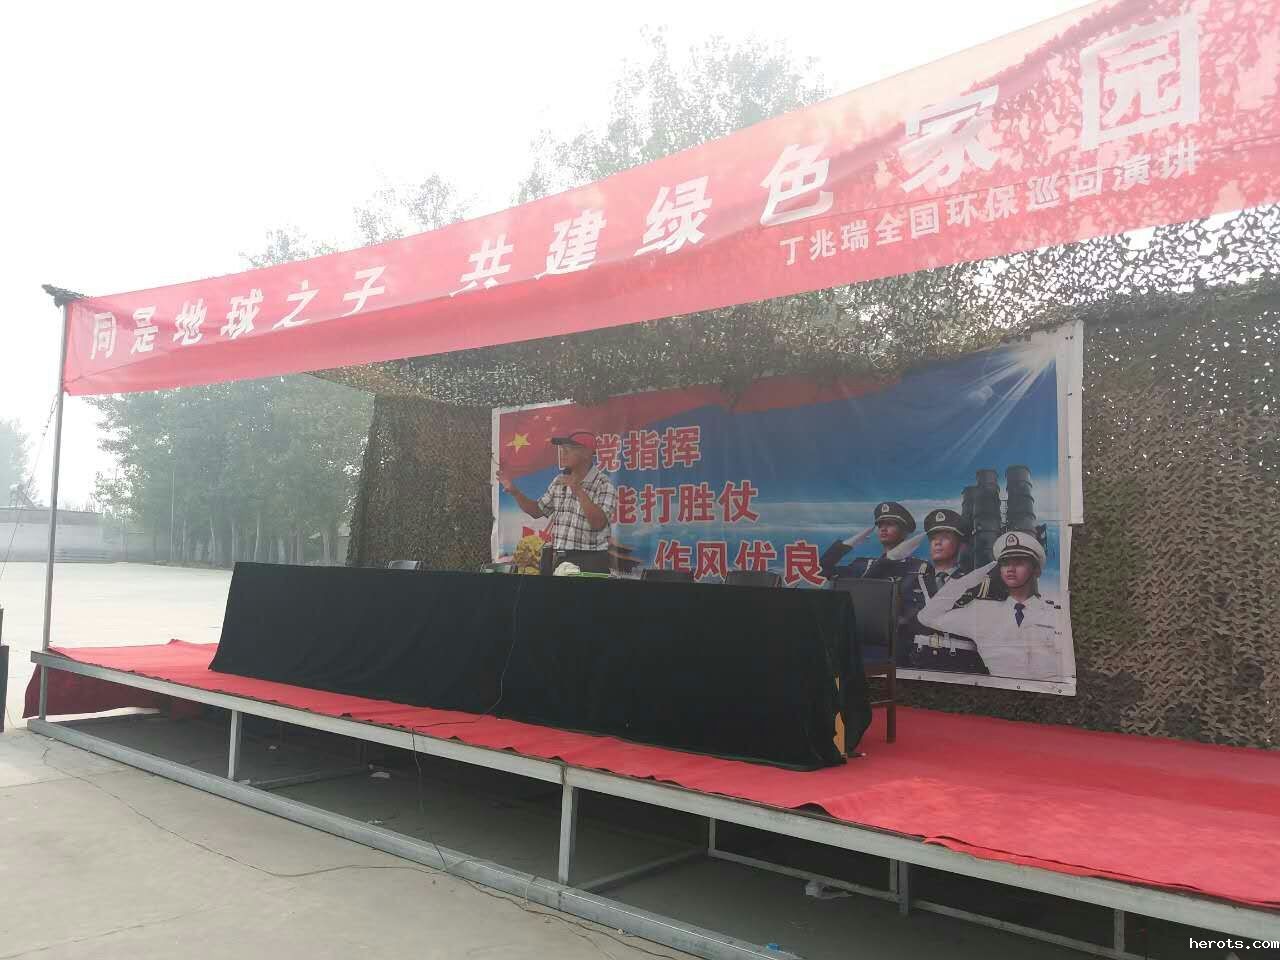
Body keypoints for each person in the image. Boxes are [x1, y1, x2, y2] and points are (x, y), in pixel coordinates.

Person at [917, 530, 1066, 681]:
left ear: (1037, 570)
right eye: (1005, 563)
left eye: (1019, 562)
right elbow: (927, 617)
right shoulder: (982, 611)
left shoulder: (1055, 614)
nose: (1010, 569)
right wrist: (969, 580)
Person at [496, 430, 616, 575]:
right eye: (562, 450)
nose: (562, 454)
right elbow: (537, 511)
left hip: (590, 560)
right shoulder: (559, 481)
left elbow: (599, 523)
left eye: (568, 450)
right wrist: (515, 491)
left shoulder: (603, 484)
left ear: (586, 453)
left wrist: (577, 490)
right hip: (561, 559)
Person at [905, 509, 987, 673]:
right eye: (933, 538)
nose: (937, 542)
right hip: (917, 664)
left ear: (961, 545)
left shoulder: (975, 584)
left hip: (962, 666)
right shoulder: (912, 581)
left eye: (945, 537)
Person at [819, 500, 928, 583]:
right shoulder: (863, 565)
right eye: (880, 525)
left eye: (890, 524)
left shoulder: (919, 567)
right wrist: (848, 544)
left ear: (904, 532)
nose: (883, 529)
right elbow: (820, 570)